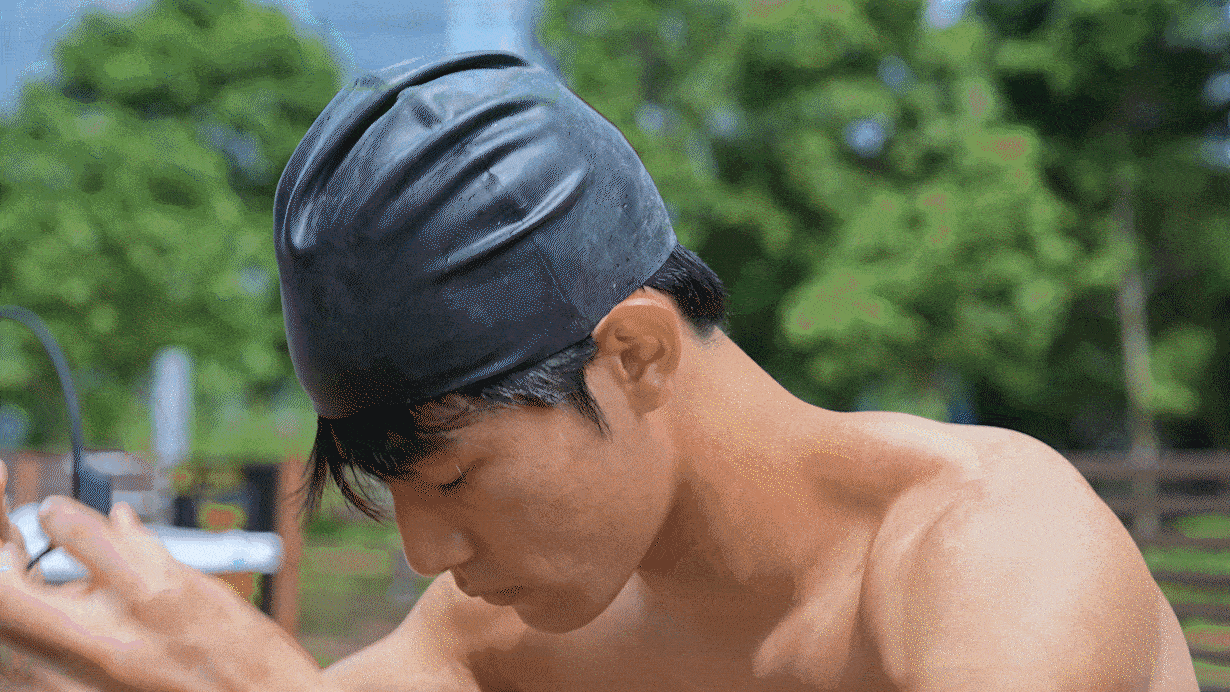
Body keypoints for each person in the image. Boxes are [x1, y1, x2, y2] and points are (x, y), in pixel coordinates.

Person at [0, 50, 1199, 692]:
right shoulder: (502, 637)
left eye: (452, 476)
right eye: (394, 494)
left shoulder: (995, 562)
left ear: (635, 353)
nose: (424, 550)